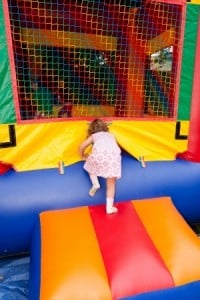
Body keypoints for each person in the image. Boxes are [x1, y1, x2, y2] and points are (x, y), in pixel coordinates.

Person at [79, 119, 121, 214]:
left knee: (90, 165)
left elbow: (81, 146)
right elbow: (117, 147)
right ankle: (109, 208)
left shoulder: (94, 136)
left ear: (92, 130)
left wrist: (82, 156)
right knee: (111, 184)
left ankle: (95, 183)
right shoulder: (112, 135)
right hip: (114, 157)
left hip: (99, 156)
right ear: (105, 128)